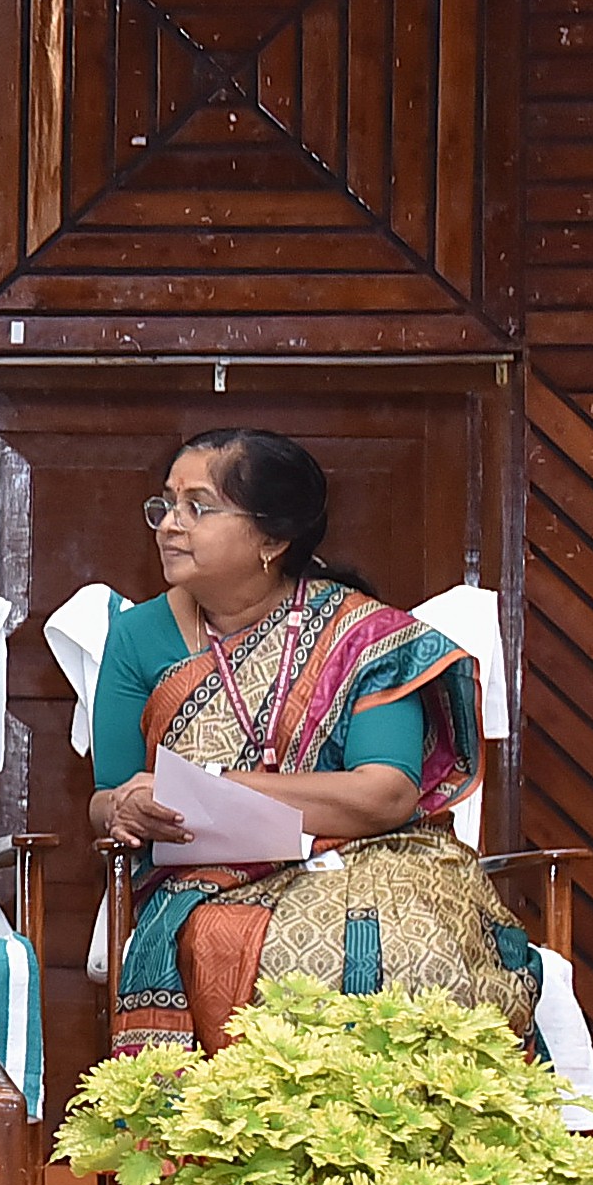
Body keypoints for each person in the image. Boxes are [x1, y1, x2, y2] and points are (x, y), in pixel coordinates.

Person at [87, 427, 539, 1057]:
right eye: (166, 504)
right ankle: (244, 1118)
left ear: (272, 539)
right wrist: (124, 809)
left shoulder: (362, 637)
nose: (169, 525)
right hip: (209, 878)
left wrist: (218, 788)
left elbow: (385, 794)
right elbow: (107, 798)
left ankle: (417, 1116)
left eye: (198, 507)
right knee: (225, 939)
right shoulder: (138, 637)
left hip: (375, 859)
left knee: (414, 940)